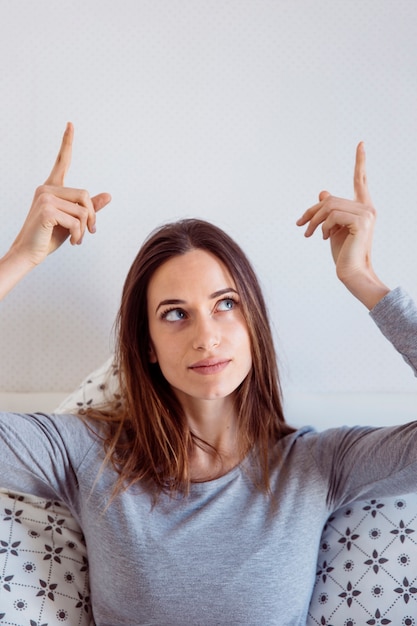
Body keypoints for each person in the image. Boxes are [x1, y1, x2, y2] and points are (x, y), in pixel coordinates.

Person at [0, 124, 416, 625]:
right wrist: (19, 258)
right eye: (175, 313)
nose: (206, 337)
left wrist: (365, 279)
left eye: (225, 304)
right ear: (147, 346)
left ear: (253, 322)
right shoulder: (89, 454)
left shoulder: (316, 466)